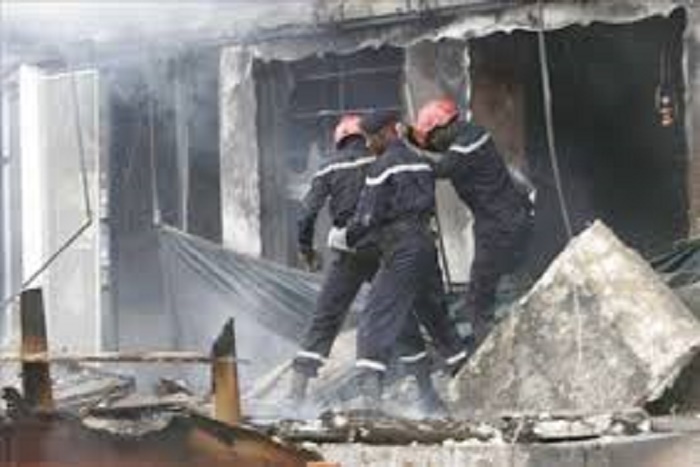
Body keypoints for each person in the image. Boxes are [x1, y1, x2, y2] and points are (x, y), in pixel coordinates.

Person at [291, 115, 449, 414]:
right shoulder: (382, 160)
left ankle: (295, 397)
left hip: (349, 251)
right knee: (402, 321)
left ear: (339, 140)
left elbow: (307, 214)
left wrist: (306, 250)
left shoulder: (330, 165)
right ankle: (427, 395)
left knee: (325, 318)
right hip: (383, 249)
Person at [335, 111, 468, 408]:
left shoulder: (382, 167)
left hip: (401, 248)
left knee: (375, 316)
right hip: (426, 245)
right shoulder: (420, 161)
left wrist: (346, 236)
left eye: (370, 139)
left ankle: (371, 400)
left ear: (385, 134)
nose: (368, 145)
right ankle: (461, 382)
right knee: (435, 317)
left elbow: (367, 217)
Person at [411, 98, 534, 350]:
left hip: (497, 224)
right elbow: (441, 153)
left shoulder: (464, 148)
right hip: (508, 217)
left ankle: (486, 349)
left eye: (433, 137)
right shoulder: (473, 134)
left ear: (443, 128)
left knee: (479, 292)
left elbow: (439, 169)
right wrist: (414, 139)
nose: (434, 144)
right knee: (505, 278)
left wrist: (406, 155)